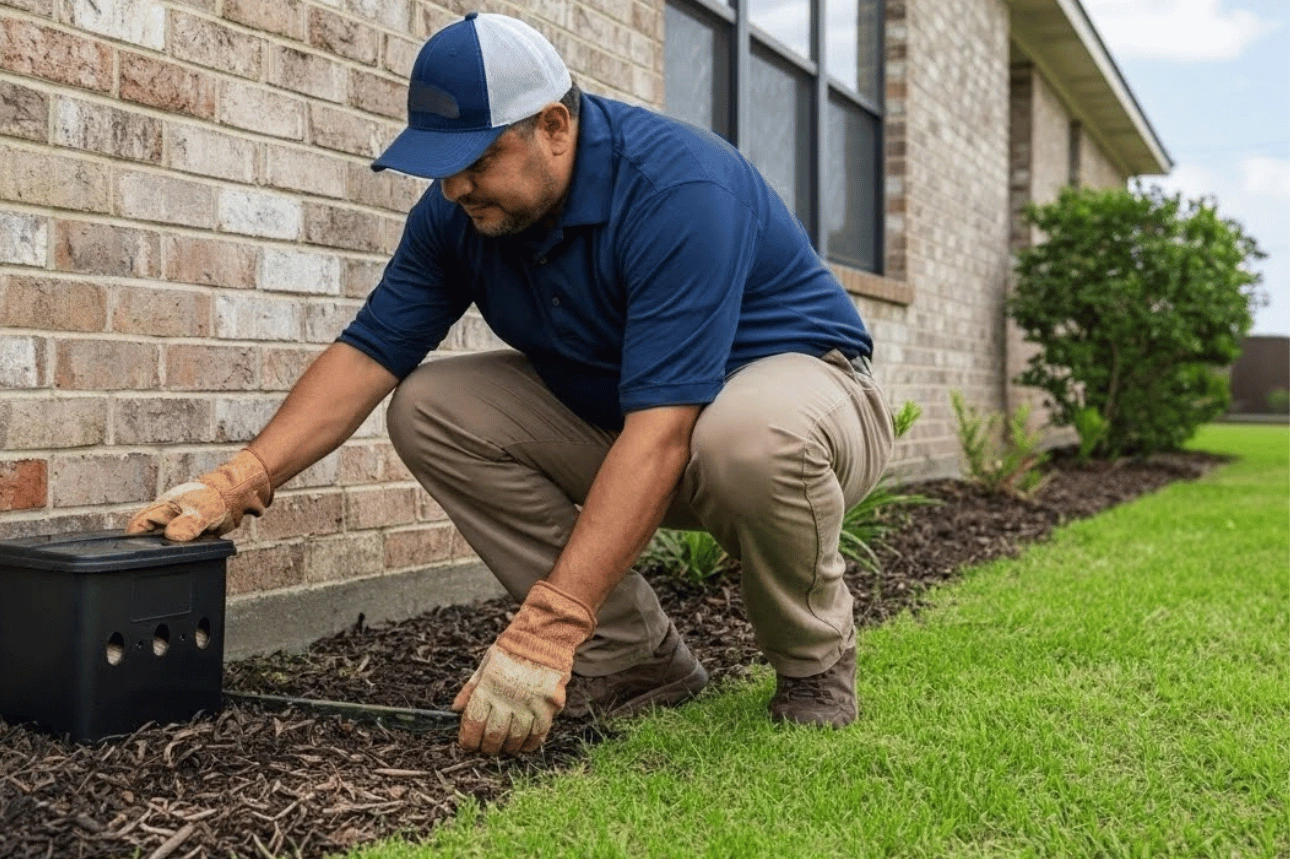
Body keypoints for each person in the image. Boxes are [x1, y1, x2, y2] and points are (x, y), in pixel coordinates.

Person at [127, 12, 895, 757]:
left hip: (798, 409)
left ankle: (813, 666)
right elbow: (368, 354)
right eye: (441, 163)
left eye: (478, 158)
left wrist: (546, 629)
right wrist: (237, 481)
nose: (456, 186)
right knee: (431, 408)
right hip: (639, 426)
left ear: (555, 127)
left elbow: (664, 434)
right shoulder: (458, 216)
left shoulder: (679, 190)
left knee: (747, 436)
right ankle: (636, 662)